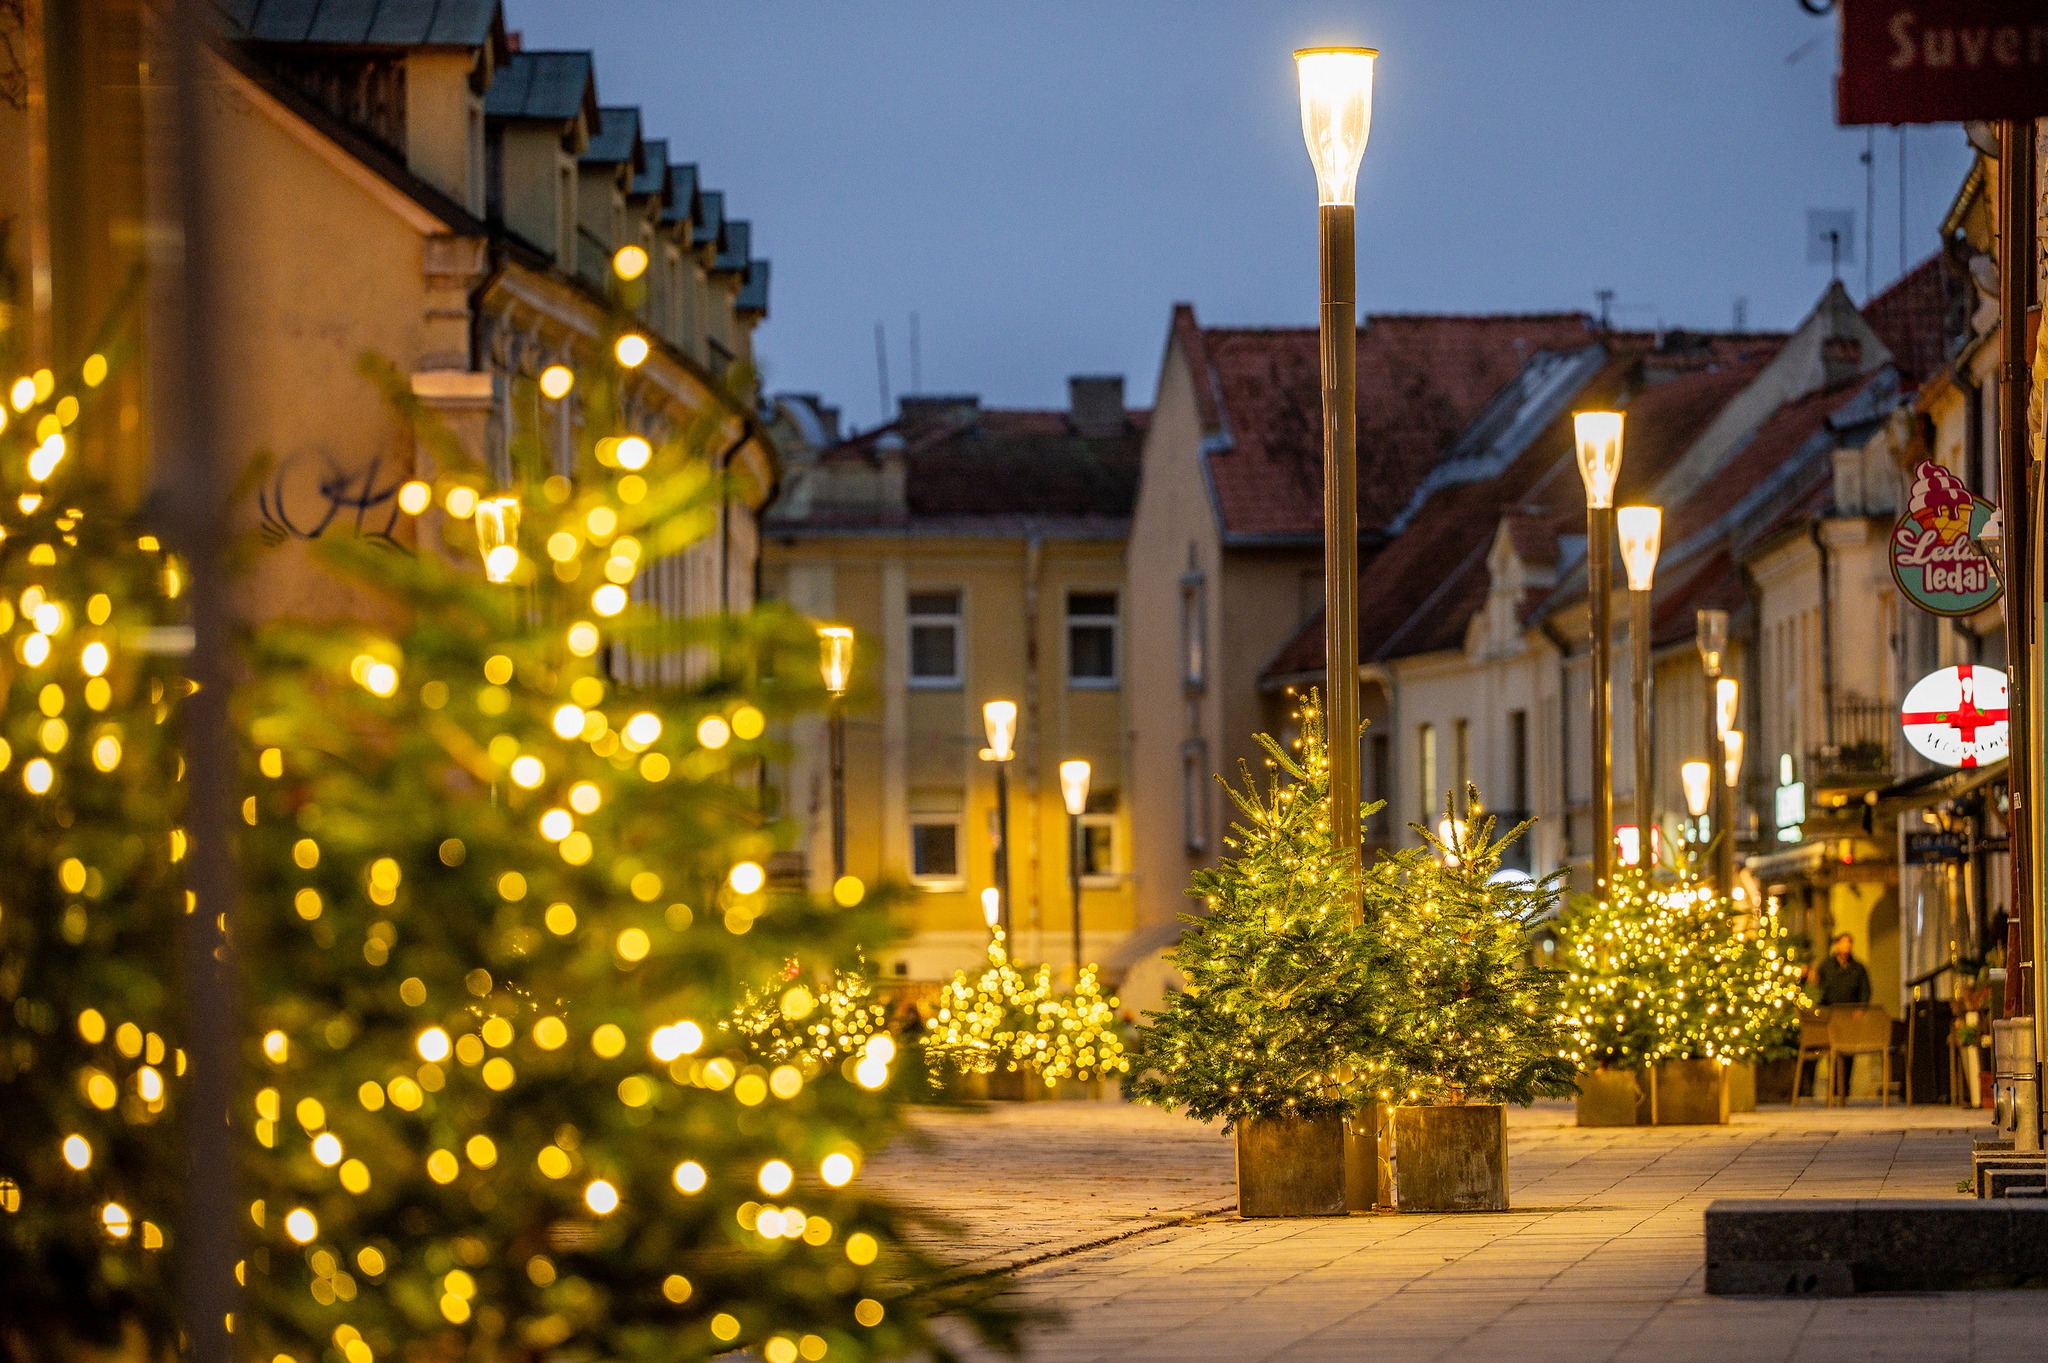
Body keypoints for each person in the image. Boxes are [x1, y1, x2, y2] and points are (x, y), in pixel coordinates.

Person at [1814, 933, 1872, 1006]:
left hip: (1851, 1010)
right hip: (1830, 1010)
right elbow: (1819, 990)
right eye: (1844, 942)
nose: (1847, 945)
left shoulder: (1858, 968)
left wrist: (1861, 1008)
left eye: (1849, 942)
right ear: (1837, 944)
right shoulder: (1826, 966)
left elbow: (1865, 991)